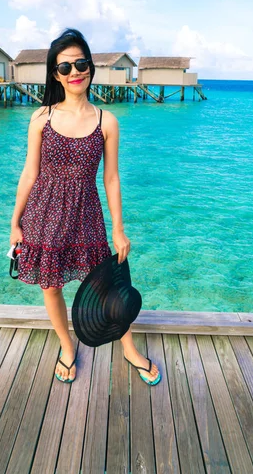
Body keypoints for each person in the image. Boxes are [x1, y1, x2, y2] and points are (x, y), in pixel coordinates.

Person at [10, 28, 160, 383]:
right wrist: (14, 222)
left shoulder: (106, 121)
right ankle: (66, 344)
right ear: (54, 74)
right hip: (43, 214)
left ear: (90, 67)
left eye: (81, 63)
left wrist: (118, 228)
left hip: (87, 214)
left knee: (106, 285)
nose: (75, 72)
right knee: (51, 286)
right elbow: (29, 174)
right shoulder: (41, 119)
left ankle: (128, 348)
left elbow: (111, 179)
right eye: (65, 67)